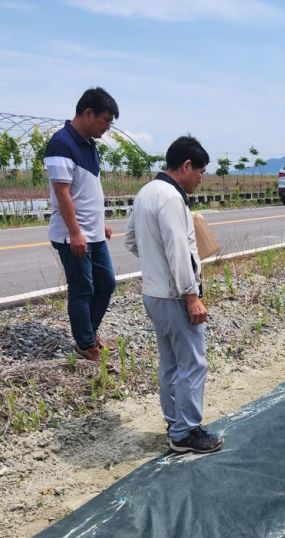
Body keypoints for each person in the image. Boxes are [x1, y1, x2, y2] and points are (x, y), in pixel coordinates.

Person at [124, 136, 223, 455]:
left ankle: (173, 422)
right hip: (175, 296)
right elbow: (179, 251)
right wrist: (191, 295)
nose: (200, 179)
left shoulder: (146, 192)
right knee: (193, 363)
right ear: (186, 165)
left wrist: (154, 263)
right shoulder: (170, 197)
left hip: (153, 293)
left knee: (169, 362)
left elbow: (130, 241)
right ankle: (185, 433)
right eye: (200, 172)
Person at [44, 87, 119, 361]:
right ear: (88, 113)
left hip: (93, 232)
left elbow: (88, 189)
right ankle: (85, 344)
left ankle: (89, 332)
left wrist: (101, 222)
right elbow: (62, 192)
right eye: (105, 121)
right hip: (72, 235)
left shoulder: (89, 145)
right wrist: (75, 232)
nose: (107, 128)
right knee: (82, 288)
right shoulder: (62, 143)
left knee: (107, 282)